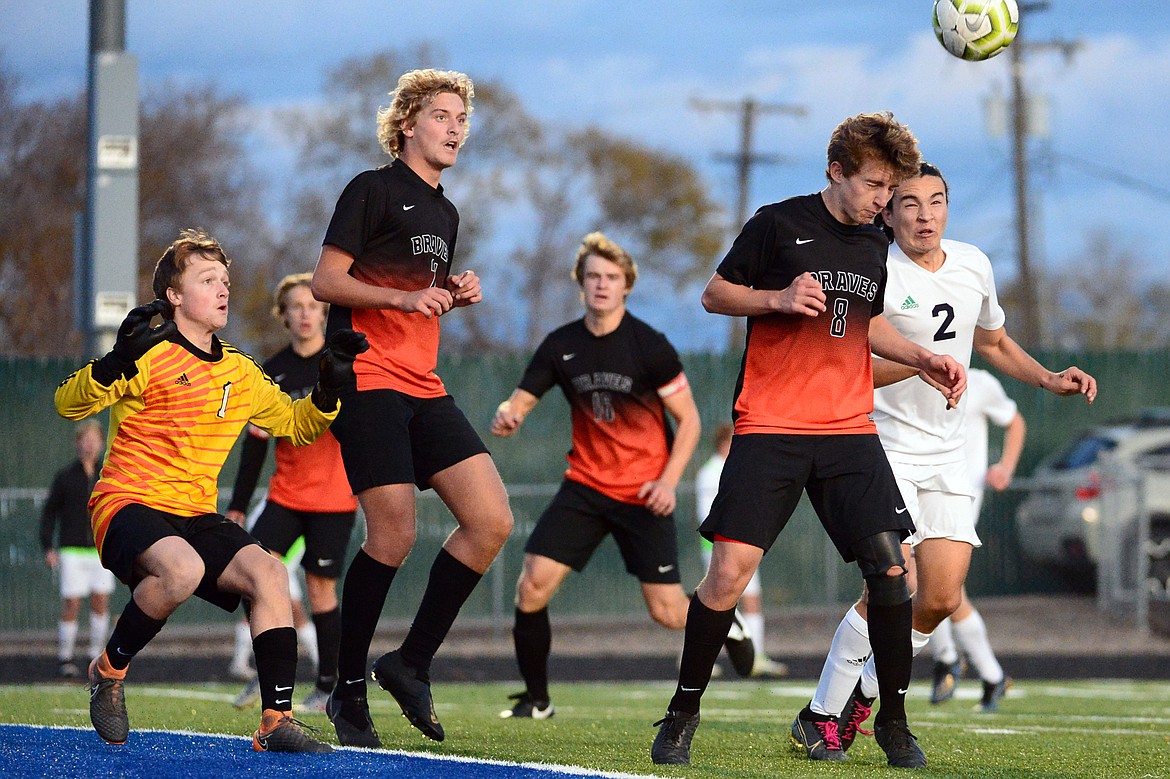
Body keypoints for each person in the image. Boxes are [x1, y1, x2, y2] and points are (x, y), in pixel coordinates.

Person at [650, 111, 966, 771]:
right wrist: (777, 297)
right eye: (876, 185)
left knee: (892, 572)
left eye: (893, 187)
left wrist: (921, 357)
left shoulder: (873, 242)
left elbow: (863, 324)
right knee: (727, 575)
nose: (887, 200)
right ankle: (682, 713)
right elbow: (713, 295)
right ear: (836, 172)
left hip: (848, 429)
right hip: (770, 424)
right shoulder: (777, 222)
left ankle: (893, 724)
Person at [795, 162, 1096, 762]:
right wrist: (923, 362)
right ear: (887, 212)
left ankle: (866, 694)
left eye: (935, 202)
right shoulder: (871, 268)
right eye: (909, 203)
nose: (924, 214)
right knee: (892, 581)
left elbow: (991, 343)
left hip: (950, 453)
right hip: (881, 445)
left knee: (938, 596)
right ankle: (821, 712)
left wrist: (1047, 379)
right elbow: (847, 361)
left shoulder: (972, 264)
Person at [54, 228, 368, 753]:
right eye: (207, 280)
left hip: (194, 513)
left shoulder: (241, 372)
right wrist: (113, 362)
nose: (223, 289)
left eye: (225, 279)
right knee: (182, 568)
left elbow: (296, 424)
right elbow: (67, 403)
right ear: (173, 297)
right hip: (125, 503)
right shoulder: (146, 353)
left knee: (268, 571)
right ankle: (108, 672)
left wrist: (330, 388)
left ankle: (275, 721)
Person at [310, 68, 514, 748]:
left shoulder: (446, 213)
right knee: (393, 532)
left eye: (463, 117)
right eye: (443, 115)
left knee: (490, 521)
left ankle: (408, 662)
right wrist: (403, 299)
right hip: (366, 376)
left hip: (422, 381)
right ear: (408, 125)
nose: (456, 127)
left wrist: (451, 291)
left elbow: (416, 295)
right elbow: (327, 280)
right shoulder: (370, 189)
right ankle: (346, 687)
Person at [490, 232, 753, 721]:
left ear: (627, 285)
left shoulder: (649, 346)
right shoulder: (560, 345)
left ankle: (727, 622)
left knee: (669, 613)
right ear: (581, 284)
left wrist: (668, 482)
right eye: (593, 276)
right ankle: (538, 700)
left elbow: (691, 422)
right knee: (531, 587)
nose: (602, 285)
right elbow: (520, 401)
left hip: (644, 494)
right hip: (585, 487)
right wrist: (508, 414)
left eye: (611, 277)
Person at [225, 273, 359, 713]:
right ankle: (270, 680)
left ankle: (327, 686)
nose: (305, 314)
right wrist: (239, 506)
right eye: (296, 307)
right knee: (250, 576)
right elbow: (255, 443)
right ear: (283, 316)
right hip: (285, 495)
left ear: (324, 312)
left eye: (313, 306)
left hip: (334, 499)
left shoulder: (341, 364)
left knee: (321, 590)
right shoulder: (272, 371)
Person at [927, 367, 1025, 711]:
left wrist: (1005, 467)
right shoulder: (912, 370)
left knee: (935, 583)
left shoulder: (980, 383)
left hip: (960, 497)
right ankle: (988, 674)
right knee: (930, 585)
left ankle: (949, 659)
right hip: (920, 488)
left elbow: (1015, 421)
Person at [695, 423, 788, 678]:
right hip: (720, 548)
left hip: (741, 544)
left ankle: (755, 657)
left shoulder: (734, 468)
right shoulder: (711, 472)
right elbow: (706, 515)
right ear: (725, 443)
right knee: (714, 603)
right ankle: (695, 658)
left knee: (750, 601)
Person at [39, 420, 116, 679]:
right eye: (85, 439)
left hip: (101, 551)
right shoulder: (65, 477)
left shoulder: (108, 474)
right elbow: (50, 513)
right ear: (77, 443)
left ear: (102, 443)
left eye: (94, 439)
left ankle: (96, 656)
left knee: (101, 601)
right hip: (72, 550)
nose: (90, 444)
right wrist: (48, 546)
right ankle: (66, 657)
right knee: (72, 603)